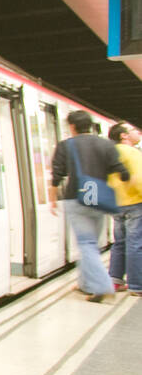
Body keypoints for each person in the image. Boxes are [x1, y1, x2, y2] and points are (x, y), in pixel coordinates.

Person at [49, 110, 130, 302]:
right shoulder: (106, 144)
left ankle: (103, 286)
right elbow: (123, 173)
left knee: (87, 244)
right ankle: (86, 285)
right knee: (92, 244)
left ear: (72, 126)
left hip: (76, 198)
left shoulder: (66, 145)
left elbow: (57, 175)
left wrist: (52, 198)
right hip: (98, 199)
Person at [106, 121, 142, 295]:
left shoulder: (109, 153)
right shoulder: (131, 152)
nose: (138, 132)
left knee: (119, 243)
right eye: (134, 130)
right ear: (124, 135)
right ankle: (137, 285)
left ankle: (115, 280)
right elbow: (139, 178)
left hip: (116, 203)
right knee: (135, 243)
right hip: (135, 202)